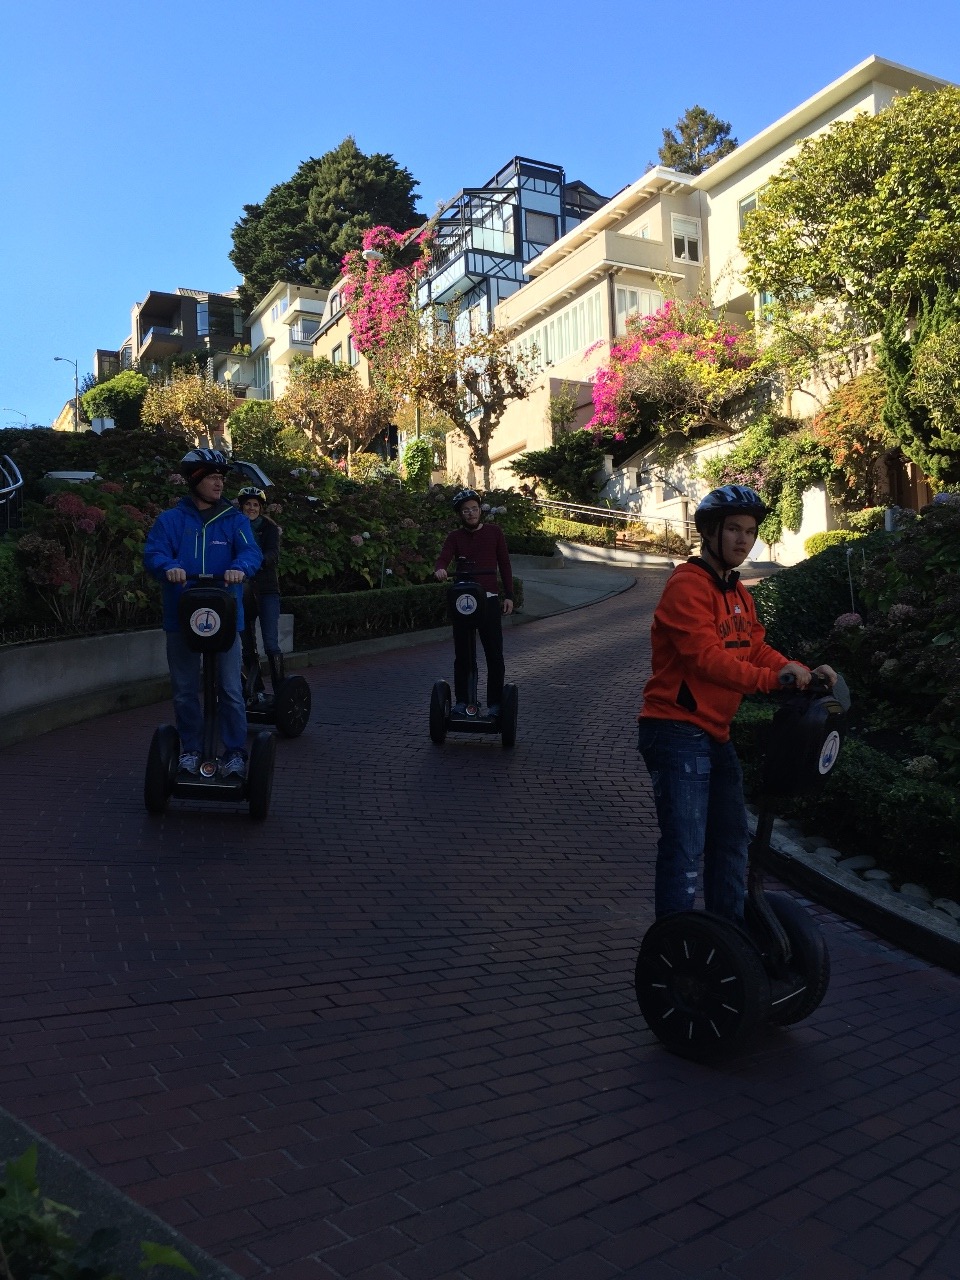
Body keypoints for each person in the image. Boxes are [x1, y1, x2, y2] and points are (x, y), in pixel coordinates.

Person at [636, 484, 836, 922]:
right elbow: (706, 659)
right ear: (709, 532)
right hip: (675, 729)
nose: (743, 540)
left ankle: (728, 940)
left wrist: (800, 669)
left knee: (731, 844)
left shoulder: (739, 593)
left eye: (749, 531)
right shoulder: (687, 587)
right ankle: (675, 945)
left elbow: (757, 648)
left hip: (714, 732)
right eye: (733, 530)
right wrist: (770, 682)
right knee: (685, 847)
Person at [143, 449, 262, 778]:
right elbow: (154, 552)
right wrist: (169, 567)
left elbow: (251, 552)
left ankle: (235, 752)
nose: (219, 484)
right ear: (195, 480)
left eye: (222, 478)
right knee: (184, 690)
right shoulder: (171, 521)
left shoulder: (234, 520)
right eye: (212, 477)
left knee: (230, 689)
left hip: (224, 620)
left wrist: (240, 568)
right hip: (181, 617)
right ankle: (191, 750)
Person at [434, 488, 514, 716]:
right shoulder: (454, 537)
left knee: (494, 655)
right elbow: (443, 557)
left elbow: (505, 565)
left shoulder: (494, 532)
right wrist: (440, 569)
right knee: (464, 655)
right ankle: (463, 703)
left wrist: (508, 595)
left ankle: (496, 704)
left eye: (474, 509)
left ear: (480, 510)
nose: (471, 513)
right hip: (464, 601)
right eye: (466, 510)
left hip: (488, 600)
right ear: (460, 514)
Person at [235, 486, 284, 700]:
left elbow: (273, 552)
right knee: (247, 642)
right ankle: (257, 689)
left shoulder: (269, 528)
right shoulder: (236, 527)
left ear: (261, 508)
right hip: (244, 590)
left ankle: (281, 690)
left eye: (255, 505)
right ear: (242, 506)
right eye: (248, 504)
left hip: (266, 589)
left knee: (270, 641)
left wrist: (258, 561)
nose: (251, 508)